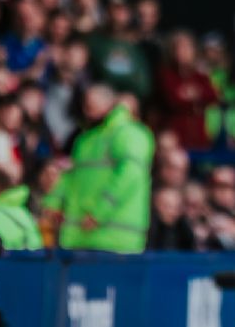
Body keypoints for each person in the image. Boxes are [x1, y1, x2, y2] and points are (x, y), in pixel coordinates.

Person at [43, 83, 155, 253]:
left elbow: (130, 175)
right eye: (85, 106)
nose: (87, 112)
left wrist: (99, 213)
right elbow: (70, 176)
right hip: (79, 238)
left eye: (91, 107)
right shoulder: (85, 140)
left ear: (109, 104)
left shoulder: (130, 133)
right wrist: (54, 203)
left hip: (115, 239)